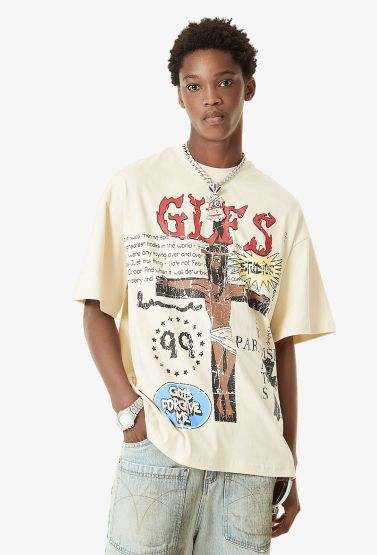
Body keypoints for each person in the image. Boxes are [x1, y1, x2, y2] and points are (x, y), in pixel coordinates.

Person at [73, 16, 336, 555]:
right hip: (161, 442)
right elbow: (96, 307)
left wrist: (288, 458)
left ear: (249, 87)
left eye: (225, 81)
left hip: (250, 464)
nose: (211, 98)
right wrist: (130, 413)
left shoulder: (282, 208)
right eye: (194, 85)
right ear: (179, 95)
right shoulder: (134, 187)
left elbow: (281, 343)